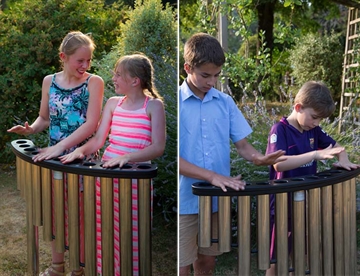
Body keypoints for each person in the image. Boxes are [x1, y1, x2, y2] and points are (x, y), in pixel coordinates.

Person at [179, 32, 286, 276]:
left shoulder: (225, 102)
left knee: (207, 262)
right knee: (182, 265)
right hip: (185, 199)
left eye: (217, 75)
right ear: (187, 68)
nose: (212, 81)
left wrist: (259, 158)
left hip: (216, 200)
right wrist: (211, 176)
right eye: (205, 75)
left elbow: (243, 146)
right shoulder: (174, 102)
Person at [59, 53, 166, 275]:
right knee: (104, 229)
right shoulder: (113, 103)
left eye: (118, 75)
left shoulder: (154, 106)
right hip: (106, 177)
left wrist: (127, 157)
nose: (113, 79)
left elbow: (158, 147)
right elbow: (98, 139)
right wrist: (78, 150)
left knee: (131, 233)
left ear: (135, 81)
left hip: (135, 182)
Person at [7, 31, 104, 276]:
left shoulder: (94, 82)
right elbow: (44, 118)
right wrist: (31, 129)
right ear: (63, 56)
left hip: (83, 160)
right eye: (80, 60)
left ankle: (79, 268)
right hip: (53, 160)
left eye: (88, 60)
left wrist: (61, 147)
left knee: (81, 215)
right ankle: (57, 266)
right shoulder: (49, 81)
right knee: (55, 215)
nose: (85, 65)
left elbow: (92, 124)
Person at [265, 80, 360, 276]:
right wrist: (314, 155)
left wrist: (343, 158)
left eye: (320, 120)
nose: (316, 123)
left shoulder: (313, 130)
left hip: (307, 203)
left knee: (301, 251)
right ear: (298, 107)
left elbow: (337, 147)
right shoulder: (279, 130)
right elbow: (279, 163)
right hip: (283, 204)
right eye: (314, 117)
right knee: (277, 255)